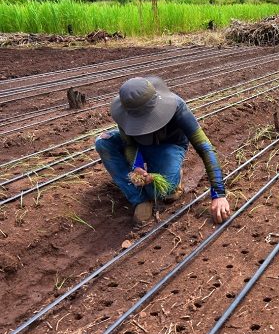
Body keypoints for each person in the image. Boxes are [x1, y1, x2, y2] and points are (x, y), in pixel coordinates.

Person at [95, 76, 231, 225]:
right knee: (103, 142)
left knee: (161, 191)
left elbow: (205, 147)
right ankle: (139, 199)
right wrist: (137, 166)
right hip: (141, 145)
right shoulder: (125, 111)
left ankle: (173, 182)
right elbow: (129, 144)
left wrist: (218, 193)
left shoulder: (177, 106)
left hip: (168, 147)